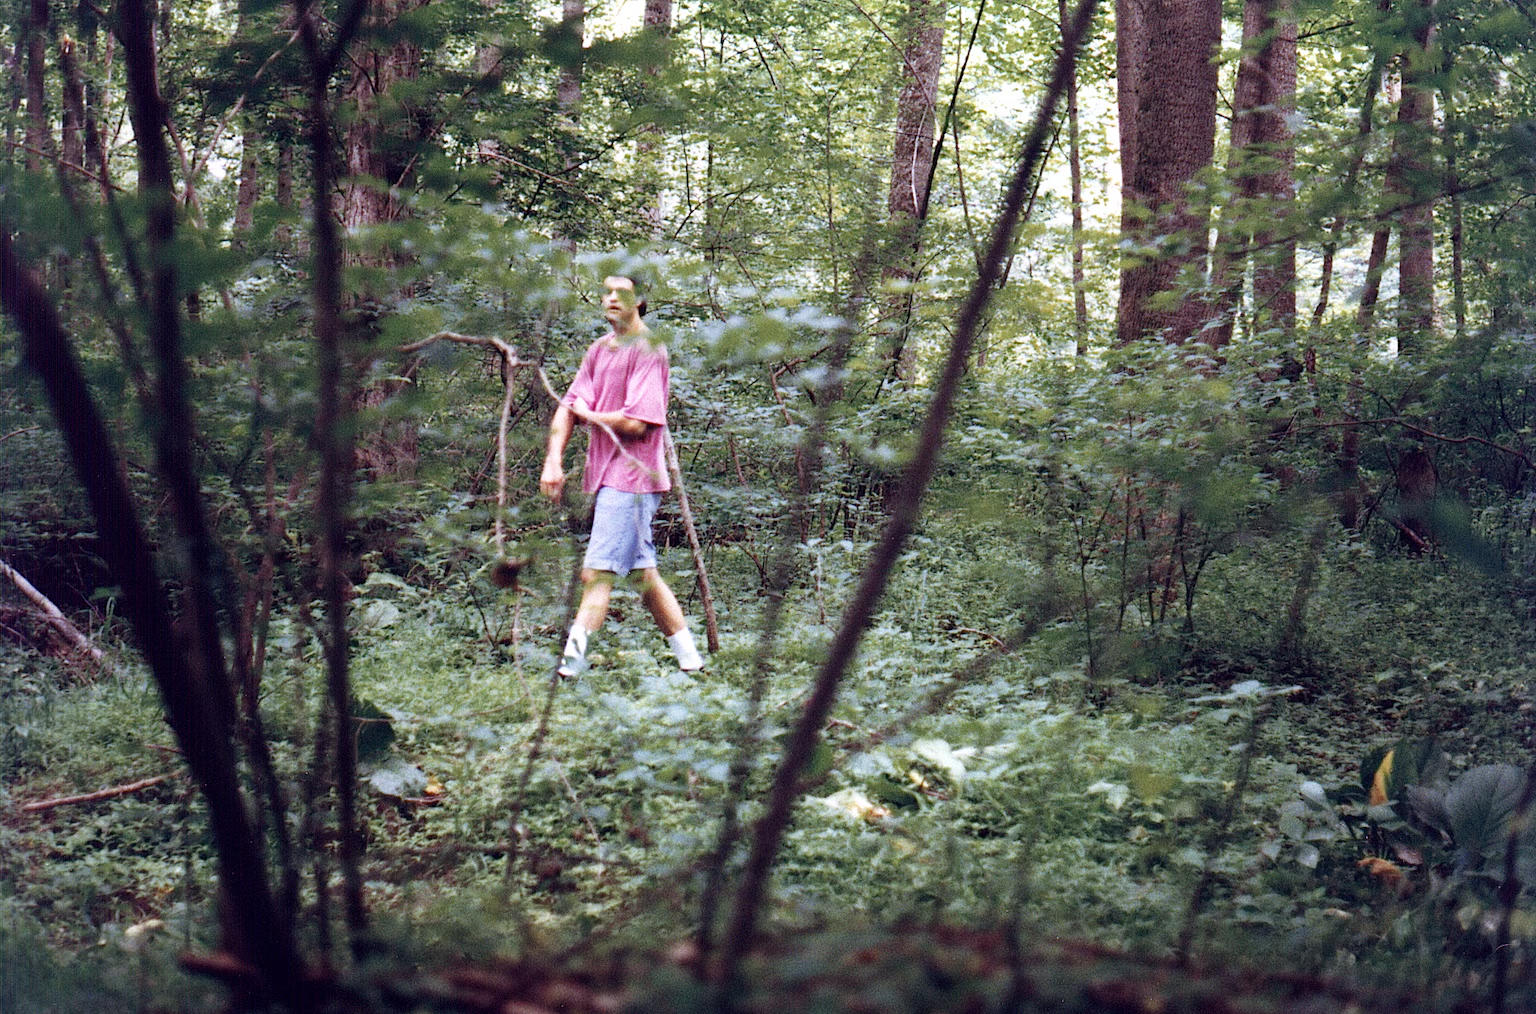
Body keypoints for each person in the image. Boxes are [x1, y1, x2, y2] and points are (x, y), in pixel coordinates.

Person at [540, 275, 705, 677]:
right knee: (643, 575)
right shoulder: (599, 349)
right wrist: (553, 460)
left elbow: (637, 423)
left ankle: (567, 673)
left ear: (641, 299)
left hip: (632, 479)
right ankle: (692, 664)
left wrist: (588, 414)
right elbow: (567, 406)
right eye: (607, 291)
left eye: (623, 292)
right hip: (608, 476)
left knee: (596, 574)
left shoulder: (648, 349)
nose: (612, 298)